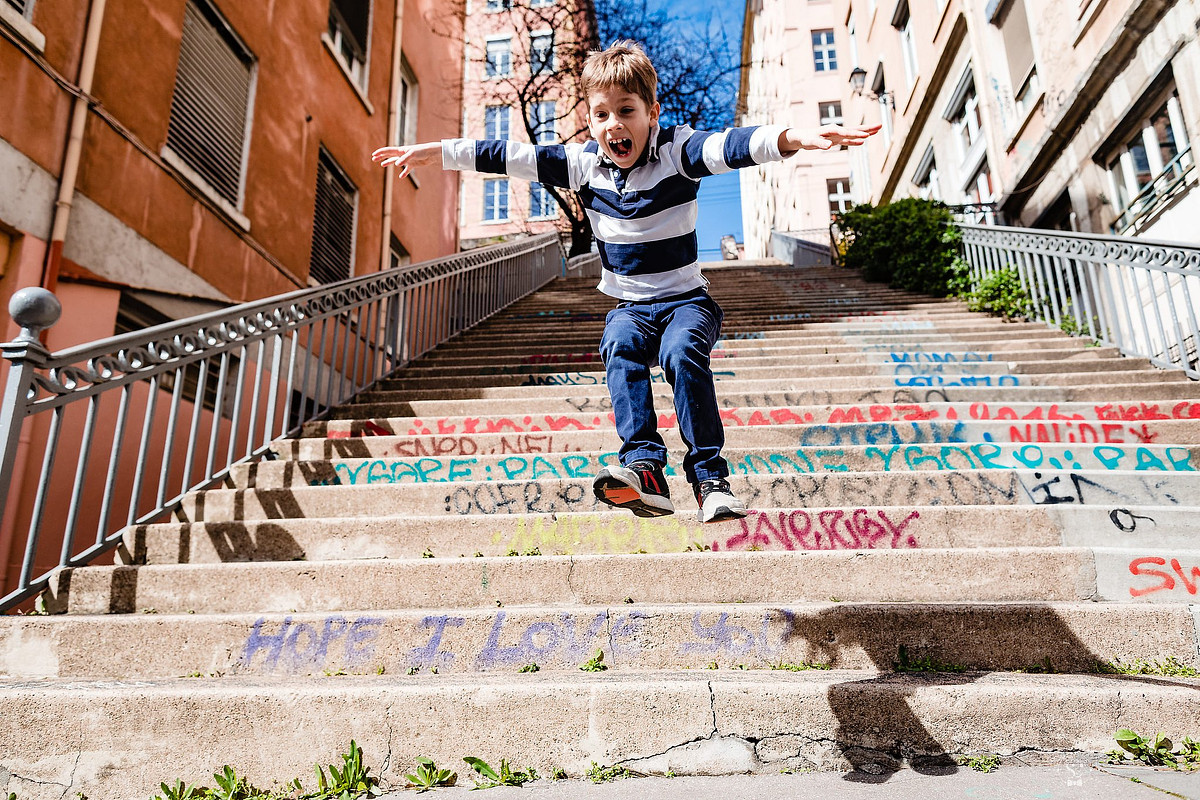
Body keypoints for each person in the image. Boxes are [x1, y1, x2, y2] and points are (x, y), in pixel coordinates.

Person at [373, 41, 879, 523]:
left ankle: (710, 480)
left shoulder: (677, 152)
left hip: (687, 301)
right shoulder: (583, 166)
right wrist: (440, 152)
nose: (614, 125)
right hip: (631, 309)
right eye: (601, 115)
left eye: (626, 110)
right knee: (618, 341)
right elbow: (510, 156)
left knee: (681, 352)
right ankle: (646, 470)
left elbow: (731, 145)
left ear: (651, 113)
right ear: (590, 121)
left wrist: (792, 138)